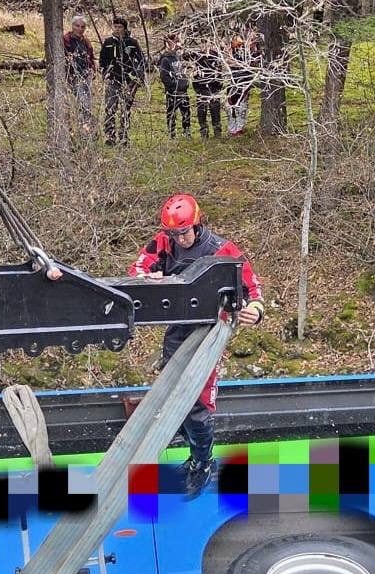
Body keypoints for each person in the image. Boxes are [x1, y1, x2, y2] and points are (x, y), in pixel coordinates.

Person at [129, 194, 264, 498]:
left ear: (198, 223)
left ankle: (202, 463)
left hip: (209, 331)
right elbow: (138, 267)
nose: (180, 239)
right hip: (178, 327)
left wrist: (255, 309)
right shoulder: (164, 243)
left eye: (184, 232)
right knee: (170, 386)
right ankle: (188, 439)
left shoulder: (222, 250)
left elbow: (252, 287)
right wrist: (150, 280)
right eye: (174, 234)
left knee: (197, 401)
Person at [99, 16, 145, 145]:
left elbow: (141, 60)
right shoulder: (108, 42)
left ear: (125, 29)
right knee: (110, 107)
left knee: (126, 108)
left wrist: (137, 77)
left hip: (128, 80)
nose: (117, 29)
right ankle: (110, 136)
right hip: (113, 79)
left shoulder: (132, 43)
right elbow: (102, 61)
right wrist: (105, 74)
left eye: (120, 27)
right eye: (115, 27)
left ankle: (124, 135)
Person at [63, 15, 96, 134]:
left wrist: (92, 70)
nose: (80, 29)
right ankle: (68, 132)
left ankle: (85, 131)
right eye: (77, 26)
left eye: (83, 27)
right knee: (69, 105)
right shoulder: (65, 40)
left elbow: (91, 58)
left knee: (85, 104)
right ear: (72, 26)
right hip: (70, 77)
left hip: (85, 77)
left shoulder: (86, 42)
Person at [156, 36, 190, 140]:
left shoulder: (178, 57)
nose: (177, 45)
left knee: (186, 112)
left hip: (183, 90)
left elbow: (183, 71)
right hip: (172, 92)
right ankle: (172, 133)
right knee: (171, 113)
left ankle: (186, 132)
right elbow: (164, 76)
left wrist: (185, 83)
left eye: (177, 42)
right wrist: (172, 86)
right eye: (174, 42)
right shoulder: (165, 59)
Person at [190, 46, 226, 139]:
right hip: (201, 89)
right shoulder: (198, 57)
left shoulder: (215, 57)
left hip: (214, 89)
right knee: (202, 112)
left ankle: (217, 132)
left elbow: (219, 75)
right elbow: (195, 76)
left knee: (215, 111)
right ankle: (204, 132)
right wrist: (198, 89)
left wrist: (218, 86)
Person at [225, 34, 253, 136]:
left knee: (242, 107)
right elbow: (228, 62)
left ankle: (240, 128)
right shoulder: (230, 53)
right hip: (232, 83)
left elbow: (246, 65)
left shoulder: (246, 54)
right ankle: (232, 129)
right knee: (230, 106)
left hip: (244, 82)